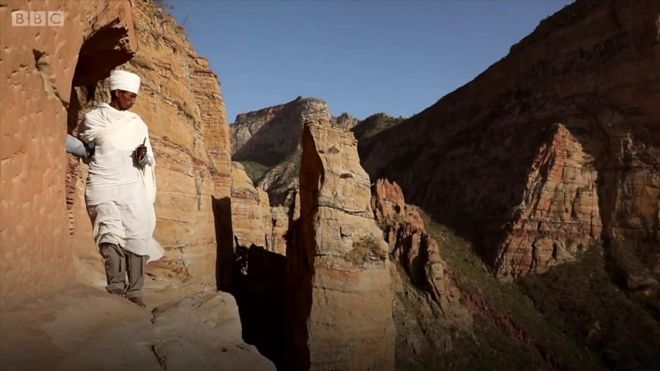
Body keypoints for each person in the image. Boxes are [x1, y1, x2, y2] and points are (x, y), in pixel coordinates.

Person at [80, 70, 163, 308]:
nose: (133, 100)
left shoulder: (137, 124)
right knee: (109, 233)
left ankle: (136, 290)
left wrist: (142, 156)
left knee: (137, 234)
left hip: (130, 185)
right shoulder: (94, 118)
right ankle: (115, 285)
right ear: (116, 93)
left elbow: (148, 157)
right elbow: (85, 145)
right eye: (129, 96)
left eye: (135, 96)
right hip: (102, 182)